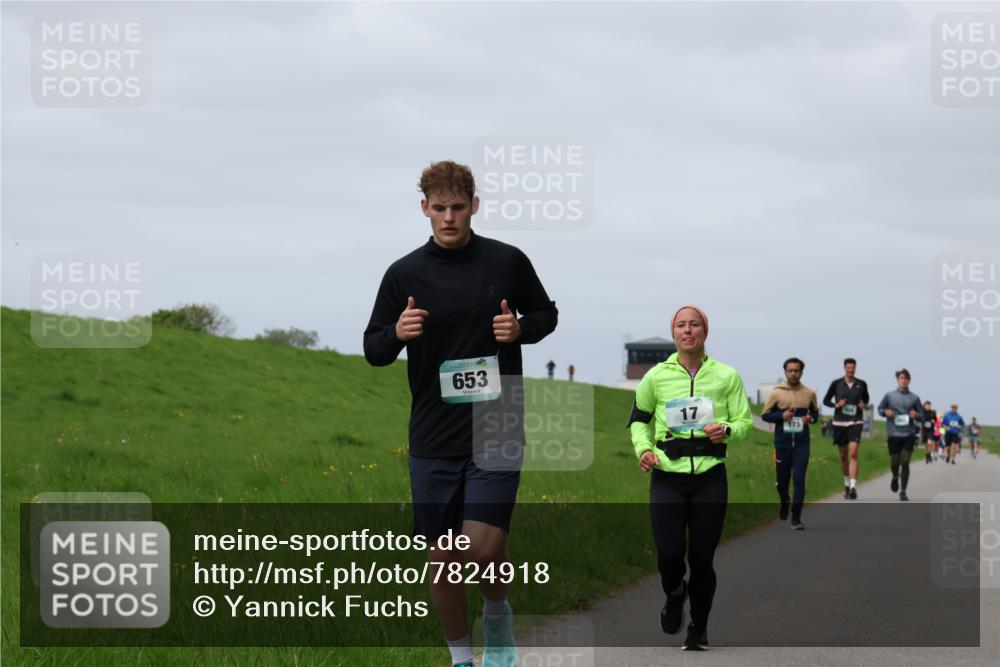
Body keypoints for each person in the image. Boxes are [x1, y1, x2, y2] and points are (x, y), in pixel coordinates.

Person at [363, 160, 558, 667]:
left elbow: (546, 313)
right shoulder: (403, 274)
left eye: (457, 207)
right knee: (443, 558)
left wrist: (521, 330)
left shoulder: (507, 261)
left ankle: (496, 612)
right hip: (433, 432)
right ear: (424, 209)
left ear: (474, 206)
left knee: (481, 548)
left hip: (497, 423)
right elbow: (373, 348)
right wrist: (396, 333)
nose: (448, 217)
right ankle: (461, 658)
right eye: (439, 208)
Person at [627, 305, 752, 650]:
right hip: (668, 476)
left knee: (701, 559)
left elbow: (744, 422)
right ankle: (674, 592)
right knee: (669, 554)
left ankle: (698, 627)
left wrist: (727, 429)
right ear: (674, 333)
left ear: (704, 332)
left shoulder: (726, 376)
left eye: (694, 324)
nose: (687, 330)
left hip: (710, 477)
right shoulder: (656, 376)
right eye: (681, 325)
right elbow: (638, 420)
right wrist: (643, 449)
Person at [761, 357, 819, 529]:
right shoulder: (776, 393)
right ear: (785, 372)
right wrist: (781, 416)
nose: (793, 373)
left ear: (801, 372)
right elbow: (765, 415)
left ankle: (796, 518)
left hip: (802, 444)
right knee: (782, 482)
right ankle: (784, 500)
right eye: (790, 370)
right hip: (782, 444)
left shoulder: (809, 393)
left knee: (799, 480)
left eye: (796, 370)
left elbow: (815, 414)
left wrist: (810, 418)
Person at [823, 358, 870, 499]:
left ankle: (853, 487)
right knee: (843, 456)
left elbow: (866, 399)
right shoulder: (836, 383)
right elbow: (826, 400)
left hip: (855, 422)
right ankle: (846, 484)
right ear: (844, 368)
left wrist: (863, 405)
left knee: (853, 453)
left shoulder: (861, 384)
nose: (851, 370)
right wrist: (836, 405)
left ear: (855, 368)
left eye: (853, 368)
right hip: (840, 423)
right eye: (848, 368)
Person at [876, 369, 923, 501]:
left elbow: (922, 415)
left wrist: (916, 415)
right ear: (898, 380)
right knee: (895, 461)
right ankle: (895, 476)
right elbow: (880, 409)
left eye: (906, 378)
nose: (904, 380)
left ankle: (903, 491)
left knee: (905, 461)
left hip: (909, 434)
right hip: (894, 433)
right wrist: (885, 412)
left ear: (909, 381)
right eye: (901, 378)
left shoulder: (915, 398)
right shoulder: (889, 395)